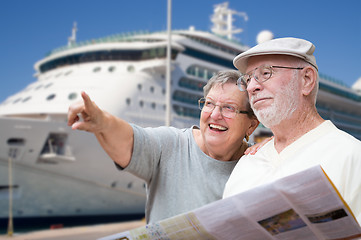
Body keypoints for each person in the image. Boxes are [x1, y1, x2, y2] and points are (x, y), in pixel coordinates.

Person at [67, 70, 259, 223]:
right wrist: (103, 122)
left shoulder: (259, 163)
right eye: (209, 104)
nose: (215, 115)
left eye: (229, 108)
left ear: (251, 124)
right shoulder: (172, 145)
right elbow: (131, 141)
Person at [223, 37, 361, 223]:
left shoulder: (351, 156)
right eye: (248, 79)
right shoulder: (248, 163)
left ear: (306, 80)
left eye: (266, 73)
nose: (252, 87)